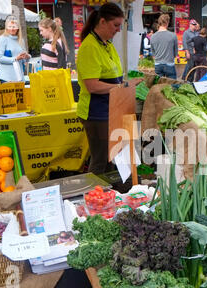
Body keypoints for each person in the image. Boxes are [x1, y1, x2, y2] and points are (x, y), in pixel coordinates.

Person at [76, 3, 143, 175]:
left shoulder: (107, 44)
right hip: (96, 113)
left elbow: (115, 76)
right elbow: (92, 86)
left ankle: (110, 197)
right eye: (116, 25)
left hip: (111, 110)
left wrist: (127, 84)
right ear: (103, 22)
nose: (119, 30)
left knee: (113, 159)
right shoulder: (89, 47)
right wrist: (123, 86)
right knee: (100, 160)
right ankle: (94, 197)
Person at [0, 16, 31, 83]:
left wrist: (27, 57)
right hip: (6, 78)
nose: (12, 29)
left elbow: (24, 60)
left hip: (19, 77)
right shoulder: (2, 39)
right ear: (6, 27)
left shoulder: (21, 40)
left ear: (18, 28)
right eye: (10, 27)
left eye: (14, 27)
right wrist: (15, 58)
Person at [150, 14, 178, 79]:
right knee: (172, 86)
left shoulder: (153, 37)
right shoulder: (173, 35)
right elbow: (175, 53)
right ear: (167, 22)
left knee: (159, 86)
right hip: (169, 64)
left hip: (158, 64)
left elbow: (153, 54)